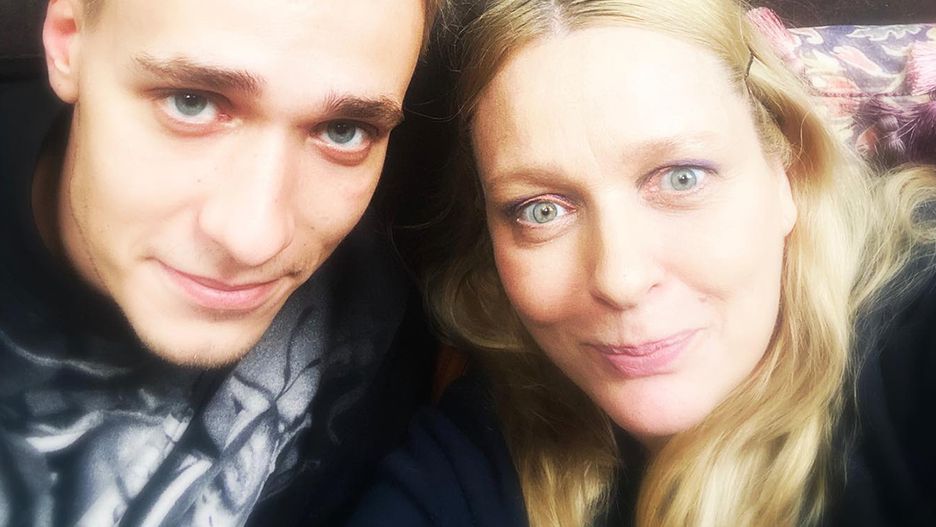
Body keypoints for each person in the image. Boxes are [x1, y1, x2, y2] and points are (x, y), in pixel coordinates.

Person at [346, 0, 936, 525]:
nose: (620, 280)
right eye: (541, 210)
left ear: (789, 173)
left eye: (682, 178)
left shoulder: (912, 345)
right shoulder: (496, 423)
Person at [0, 0, 440, 525]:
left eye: (344, 130)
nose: (255, 240)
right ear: (68, 40)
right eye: (191, 102)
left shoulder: (389, 309)